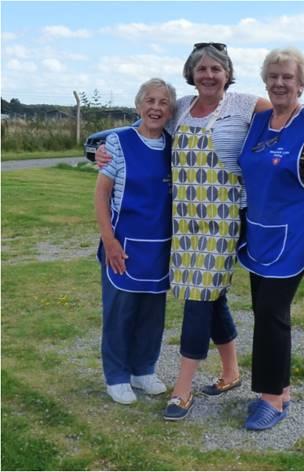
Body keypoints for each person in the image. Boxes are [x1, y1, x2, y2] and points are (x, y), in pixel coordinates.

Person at [95, 43, 270, 419]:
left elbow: (287, 120)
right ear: (191, 74)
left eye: (216, 69)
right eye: (201, 69)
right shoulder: (181, 110)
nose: (208, 75)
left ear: (228, 73)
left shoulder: (244, 104)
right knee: (210, 294)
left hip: (222, 219)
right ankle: (231, 371)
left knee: (198, 298)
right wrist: (104, 153)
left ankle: (183, 389)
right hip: (184, 223)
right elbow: (142, 130)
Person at [237, 47, 304, 430]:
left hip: (298, 233)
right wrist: (110, 149)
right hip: (261, 231)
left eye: (288, 77)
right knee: (263, 311)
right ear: (265, 80)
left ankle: (272, 400)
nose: (280, 83)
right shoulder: (259, 120)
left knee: (271, 313)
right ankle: (280, 388)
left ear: (301, 83)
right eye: (274, 76)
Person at [95, 78, 176, 404]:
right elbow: (101, 196)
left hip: (160, 246)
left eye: (163, 103)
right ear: (138, 106)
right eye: (150, 101)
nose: (156, 108)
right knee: (120, 312)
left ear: (171, 111)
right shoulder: (118, 142)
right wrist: (110, 241)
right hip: (124, 244)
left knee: (152, 313)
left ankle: (144, 370)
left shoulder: (174, 146)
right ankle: (116, 376)